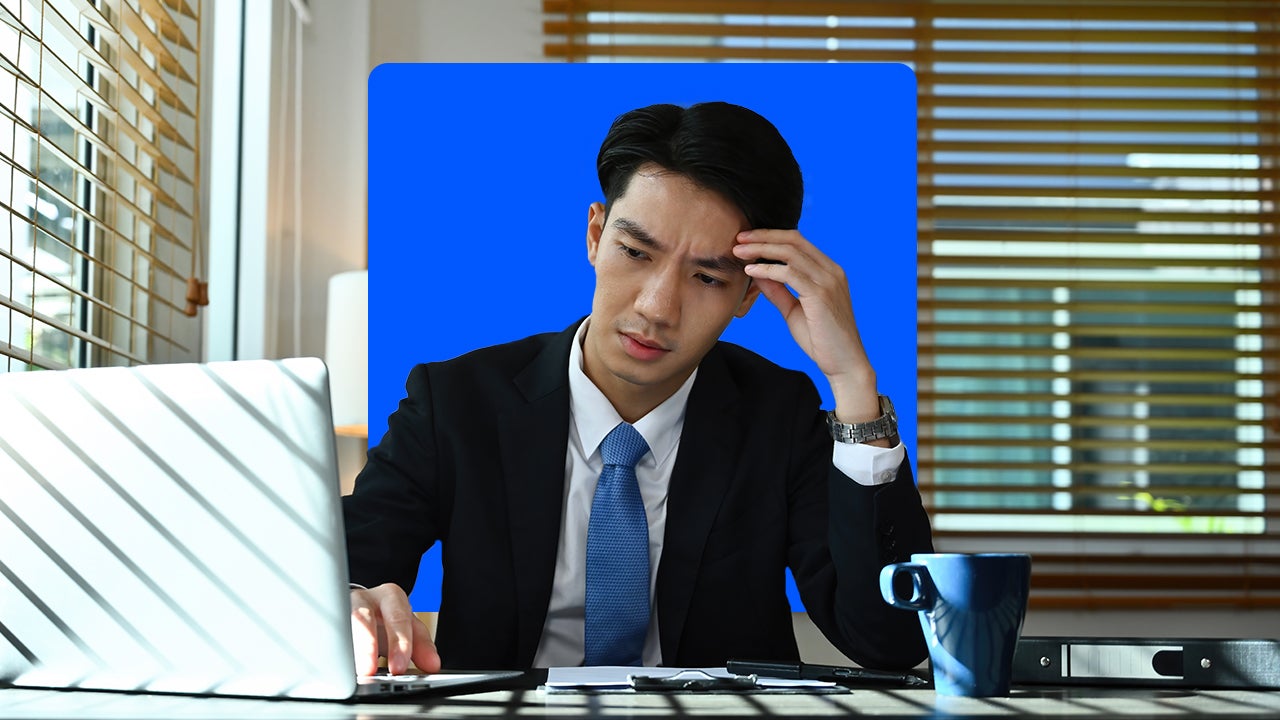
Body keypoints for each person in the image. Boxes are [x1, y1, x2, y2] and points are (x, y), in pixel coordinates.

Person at [343, 101, 933, 675]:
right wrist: (348, 599)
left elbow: (888, 639)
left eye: (706, 276)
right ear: (595, 234)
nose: (657, 308)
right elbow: (350, 569)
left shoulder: (778, 414)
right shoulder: (456, 402)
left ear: (750, 294)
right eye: (635, 251)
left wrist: (853, 382)